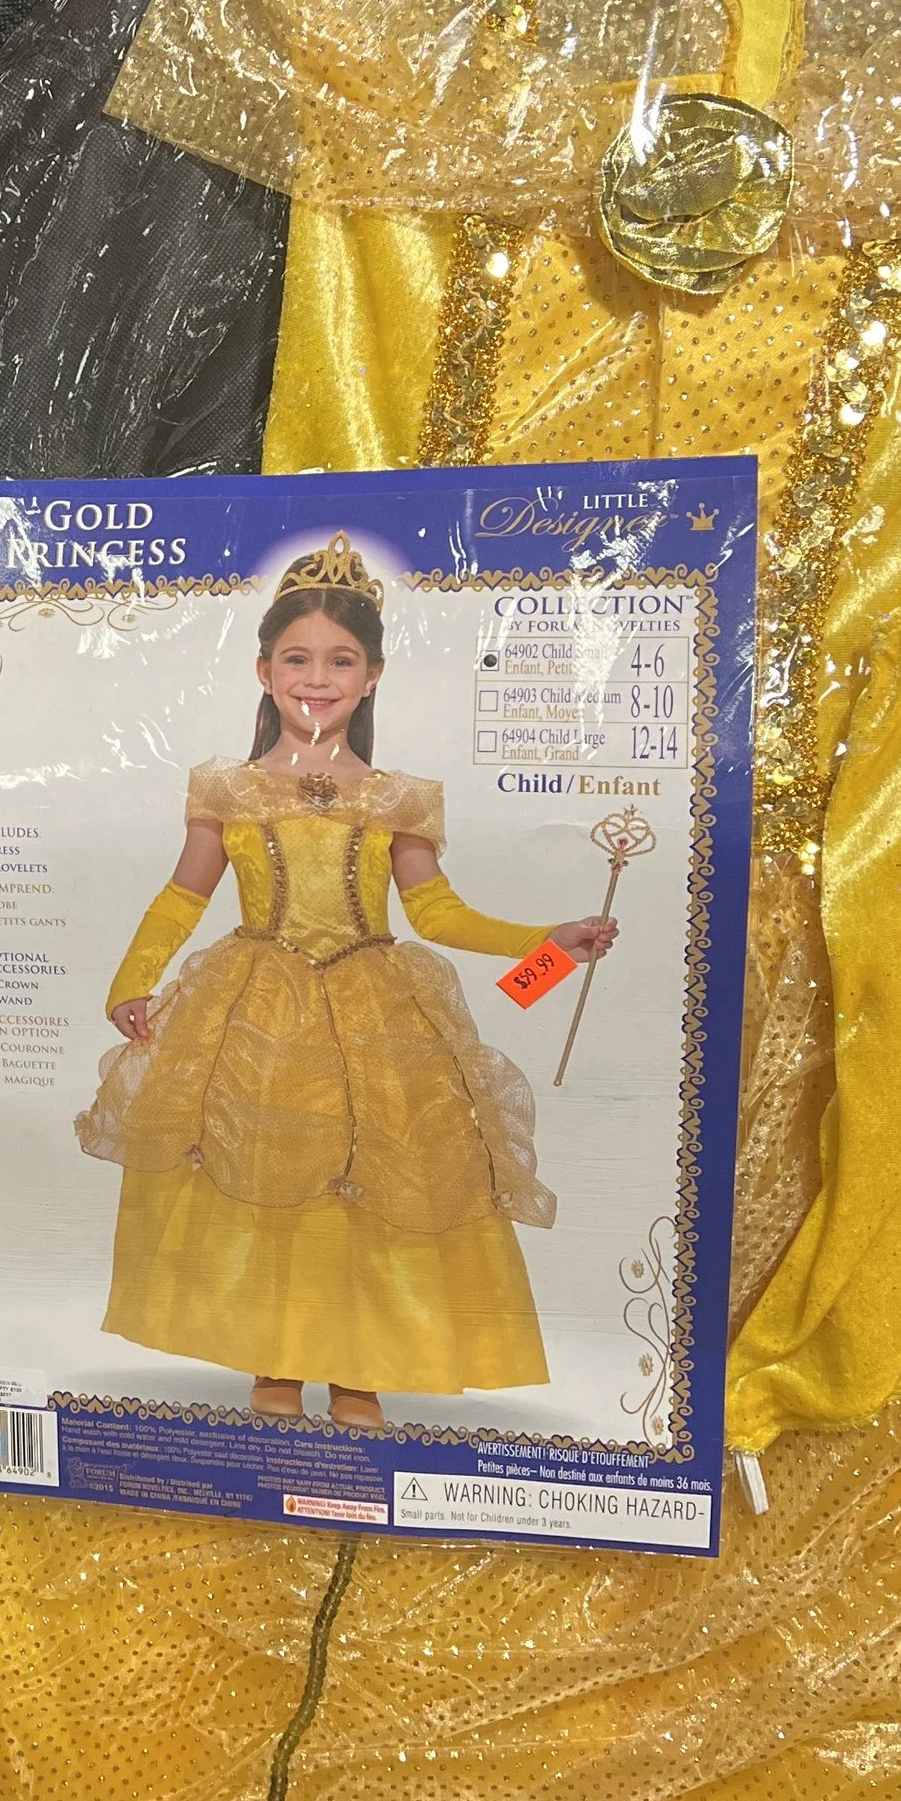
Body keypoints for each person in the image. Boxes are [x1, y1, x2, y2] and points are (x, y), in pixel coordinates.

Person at [76, 536, 615, 1424]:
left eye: (341, 660)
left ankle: (358, 1364)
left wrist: (550, 947)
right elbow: (182, 896)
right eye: (297, 658)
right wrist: (131, 981)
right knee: (261, 1165)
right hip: (257, 1010)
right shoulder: (229, 790)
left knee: (377, 1172)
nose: (317, 678)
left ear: (372, 677)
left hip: (373, 1008)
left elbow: (438, 913)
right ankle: (278, 1357)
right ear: (264, 671)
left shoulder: (397, 798)